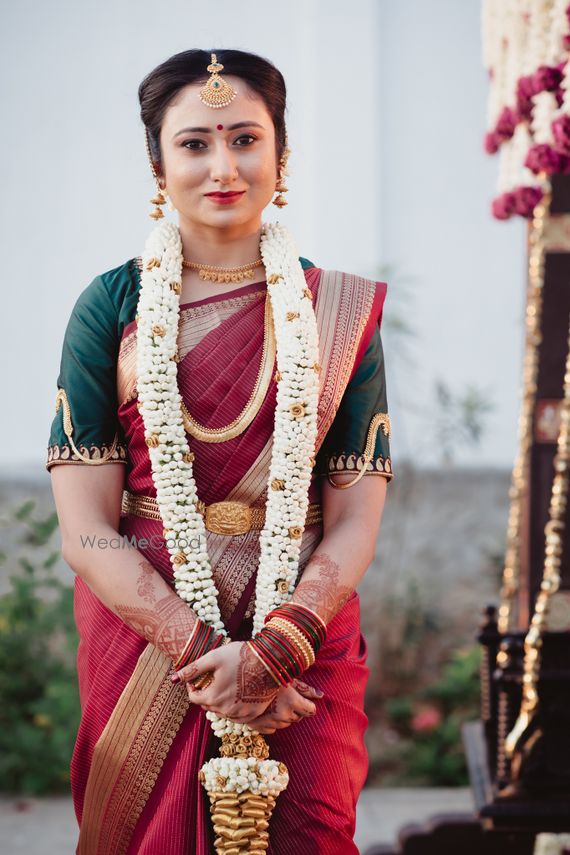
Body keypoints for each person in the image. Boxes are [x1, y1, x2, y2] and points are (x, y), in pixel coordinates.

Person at [47, 48, 394, 855]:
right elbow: (84, 529)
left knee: (309, 831)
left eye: (246, 138)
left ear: (282, 153)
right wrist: (207, 656)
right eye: (195, 143)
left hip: (303, 629)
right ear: (158, 164)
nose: (224, 165)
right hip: (148, 636)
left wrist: (275, 651)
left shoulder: (336, 310)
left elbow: (355, 520)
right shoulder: (113, 304)